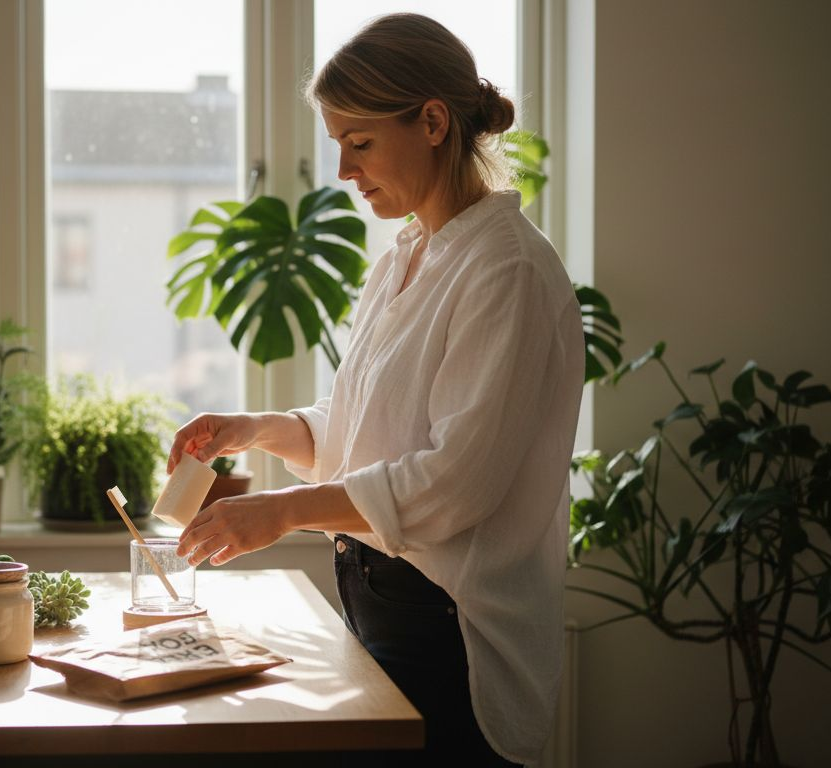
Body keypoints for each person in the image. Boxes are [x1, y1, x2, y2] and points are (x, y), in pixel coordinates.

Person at [171, 12, 583, 767]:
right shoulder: (405, 259)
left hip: (450, 634)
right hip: (379, 605)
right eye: (338, 147)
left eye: (359, 144)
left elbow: (453, 481)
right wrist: (257, 428)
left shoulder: (507, 271)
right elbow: (367, 432)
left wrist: (282, 511)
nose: (344, 172)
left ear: (432, 121)